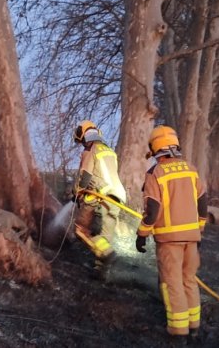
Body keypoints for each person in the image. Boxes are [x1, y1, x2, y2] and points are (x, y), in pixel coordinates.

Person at [135, 125, 208, 342]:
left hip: (169, 241)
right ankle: (194, 326)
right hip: (192, 239)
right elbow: (202, 203)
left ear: (156, 148)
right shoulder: (191, 169)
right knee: (189, 280)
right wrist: (200, 229)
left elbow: (153, 211)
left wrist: (141, 234)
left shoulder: (155, 173)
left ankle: (178, 333)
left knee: (172, 283)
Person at [71, 120, 127, 274]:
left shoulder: (90, 150)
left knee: (81, 230)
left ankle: (108, 254)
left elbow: (85, 177)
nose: (82, 144)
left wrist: (76, 192)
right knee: (105, 237)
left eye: (81, 141)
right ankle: (101, 272)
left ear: (84, 136)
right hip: (117, 198)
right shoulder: (110, 152)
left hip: (101, 196)